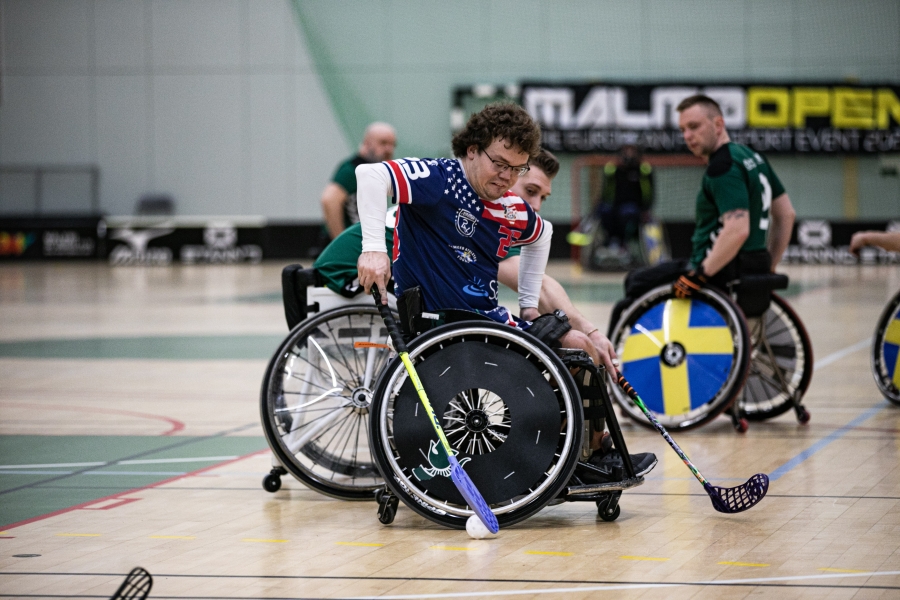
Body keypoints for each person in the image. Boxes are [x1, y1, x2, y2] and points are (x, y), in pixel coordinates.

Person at [354, 103, 655, 480]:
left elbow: (541, 234)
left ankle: (586, 454)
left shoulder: (510, 207)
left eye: (517, 168)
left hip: (489, 324)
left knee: (583, 346)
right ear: (471, 150)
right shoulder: (440, 178)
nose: (506, 176)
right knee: (579, 351)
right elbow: (369, 175)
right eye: (499, 163)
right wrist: (373, 249)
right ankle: (572, 459)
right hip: (445, 325)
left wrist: (529, 307)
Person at [313, 148, 618, 372]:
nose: (535, 205)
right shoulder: (472, 207)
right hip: (340, 278)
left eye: (543, 197)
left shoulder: (486, 211)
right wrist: (591, 332)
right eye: (531, 191)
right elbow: (540, 288)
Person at [672, 94, 796, 296]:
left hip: (721, 274)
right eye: (683, 130)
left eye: (694, 127)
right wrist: (768, 267)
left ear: (718, 125)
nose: (687, 136)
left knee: (637, 281)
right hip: (753, 267)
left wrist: (699, 275)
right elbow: (786, 214)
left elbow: (737, 230)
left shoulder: (723, 167)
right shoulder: (753, 157)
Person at [320, 122, 397, 240]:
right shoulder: (353, 170)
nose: (389, 149)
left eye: (392, 145)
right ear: (367, 143)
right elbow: (329, 200)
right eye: (383, 143)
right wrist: (340, 240)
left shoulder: (376, 170)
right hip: (346, 245)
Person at [595, 144, 654, 252]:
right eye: (626, 151)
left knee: (626, 212)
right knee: (603, 210)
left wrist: (646, 209)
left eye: (632, 151)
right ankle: (610, 239)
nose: (629, 154)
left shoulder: (643, 170)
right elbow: (605, 191)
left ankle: (623, 241)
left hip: (634, 208)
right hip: (614, 205)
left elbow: (649, 192)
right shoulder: (612, 169)